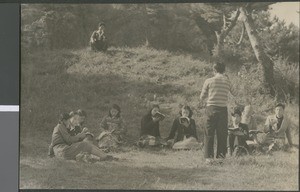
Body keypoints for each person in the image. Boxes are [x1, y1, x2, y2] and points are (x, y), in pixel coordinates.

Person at [199, 62, 236, 163]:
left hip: (211, 108)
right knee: (222, 134)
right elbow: (235, 92)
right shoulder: (227, 81)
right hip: (222, 109)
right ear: (224, 71)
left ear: (214, 70)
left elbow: (202, 97)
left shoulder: (209, 80)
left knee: (209, 132)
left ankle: (209, 158)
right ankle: (220, 157)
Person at [48, 113, 116, 162]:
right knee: (84, 144)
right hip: (62, 150)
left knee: (84, 144)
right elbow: (69, 140)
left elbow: (52, 144)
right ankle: (104, 156)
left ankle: (104, 155)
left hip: (62, 151)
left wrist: (51, 154)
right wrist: (80, 135)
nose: (69, 122)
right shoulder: (60, 126)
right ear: (64, 121)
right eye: (69, 120)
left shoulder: (60, 127)